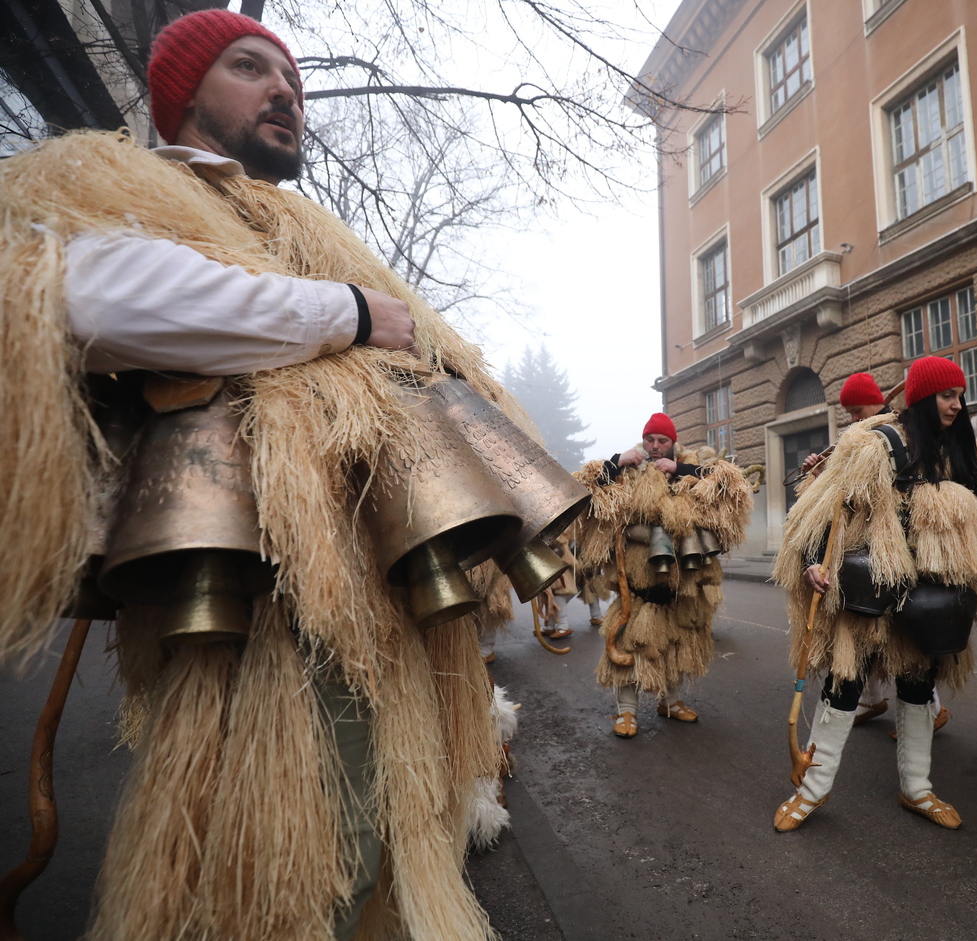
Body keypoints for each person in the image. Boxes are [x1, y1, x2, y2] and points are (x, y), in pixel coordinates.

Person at [0, 10, 519, 939]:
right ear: (182, 95)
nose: (285, 91)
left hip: (375, 603)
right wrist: (351, 313)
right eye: (249, 68)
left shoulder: (296, 226)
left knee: (376, 862)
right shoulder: (131, 190)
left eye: (293, 81)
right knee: (279, 882)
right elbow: (94, 301)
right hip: (261, 613)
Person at [772, 357, 977, 832]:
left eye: (960, 396)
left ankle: (917, 788)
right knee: (845, 685)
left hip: (932, 596)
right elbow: (827, 510)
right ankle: (811, 792)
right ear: (924, 398)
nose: (956, 405)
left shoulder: (962, 451)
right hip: (870, 589)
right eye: (947, 396)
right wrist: (813, 562)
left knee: (919, 687)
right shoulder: (879, 445)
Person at [574, 413, 753, 737]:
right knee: (628, 643)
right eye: (650, 440)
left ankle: (670, 702)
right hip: (638, 582)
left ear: (673, 443)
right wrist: (616, 462)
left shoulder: (690, 465)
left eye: (662, 441)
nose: (655, 447)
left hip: (683, 581)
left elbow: (730, 483)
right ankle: (626, 712)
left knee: (678, 642)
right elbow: (585, 490)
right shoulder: (627, 469)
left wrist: (680, 470)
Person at [796, 373, 952, 733]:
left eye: (856, 411)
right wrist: (820, 473)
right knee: (872, 631)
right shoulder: (860, 438)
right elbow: (841, 496)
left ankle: (928, 707)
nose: (852, 419)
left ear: (874, 403)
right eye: (848, 413)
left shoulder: (897, 434)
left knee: (905, 634)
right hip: (866, 549)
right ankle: (873, 700)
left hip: (900, 548)